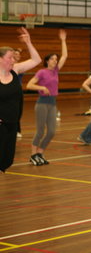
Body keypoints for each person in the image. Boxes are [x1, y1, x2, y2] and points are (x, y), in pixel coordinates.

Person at [0, 28, 41, 173]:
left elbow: (36, 60)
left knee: (6, 160)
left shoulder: (15, 70)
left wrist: (28, 42)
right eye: (10, 57)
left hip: (13, 123)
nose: (13, 60)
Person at [27, 29, 68, 166]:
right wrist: (42, 88)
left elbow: (65, 56)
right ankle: (33, 155)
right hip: (42, 103)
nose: (55, 61)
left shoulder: (56, 71)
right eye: (53, 59)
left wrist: (63, 40)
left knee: (51, 132)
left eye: (56, 59)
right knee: (40, 131)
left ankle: (40, 152)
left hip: (52, 103)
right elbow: (29, 85)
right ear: (47, 61)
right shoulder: (42, 72)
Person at [12, 48, 24, 138]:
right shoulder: (11, 65)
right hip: (12, 91)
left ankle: (17, 129)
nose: (18, 55)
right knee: (14, 110)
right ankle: (16, 130)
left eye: (19, 54)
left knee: (19, 111)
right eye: (16, 54)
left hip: (19, 91)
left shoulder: (19, 65)